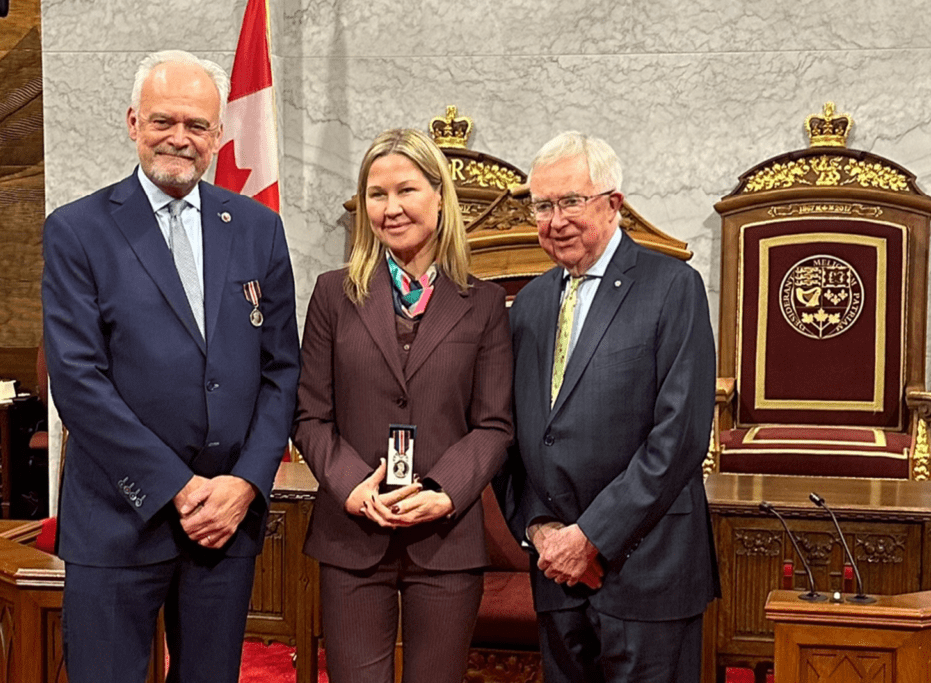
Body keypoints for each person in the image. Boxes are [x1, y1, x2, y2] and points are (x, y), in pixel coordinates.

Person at [41, 50, 299, 683]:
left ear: (217, 135)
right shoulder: (77, 230)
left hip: (225, 524)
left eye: (197, 124)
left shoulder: (259, 229)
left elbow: (281, 371)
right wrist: (180, 490)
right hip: (118, 520)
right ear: (133, 123)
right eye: (163, 121)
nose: (180, 137)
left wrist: (244, 484)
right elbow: (78, 381)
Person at [293, 128, 513, 683]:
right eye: (376, 194)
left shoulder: (483, 303)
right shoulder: (332, 294)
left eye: (406, 190)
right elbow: (310, 415)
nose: (390, 208)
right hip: (353, 535)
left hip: (445, 536)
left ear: (440, 196)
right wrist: (351, 486)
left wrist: (443, 492)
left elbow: (493, 425)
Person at [499, 131, 719, 682]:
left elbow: (680, 438)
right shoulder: (528, 303)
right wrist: (542, 530)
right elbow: (520, 435)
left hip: (647, 570)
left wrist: (591, 536)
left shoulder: (673, 288)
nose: (556, 220)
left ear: (613, 203)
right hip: (557, 574)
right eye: (543, 206)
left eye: (571, 201)